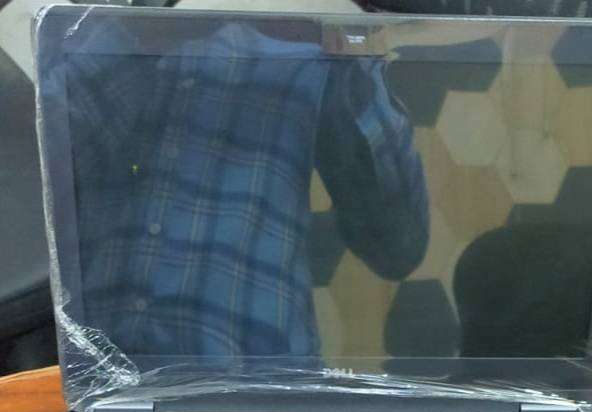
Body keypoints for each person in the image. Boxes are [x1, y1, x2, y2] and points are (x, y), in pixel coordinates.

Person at [64, 19, 429, 362]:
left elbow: (398, 248)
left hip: (255, 381)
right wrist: (141, 29)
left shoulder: (306, 51)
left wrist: (349, 51)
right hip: (80, 369)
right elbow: (44, 181)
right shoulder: (99, 30)